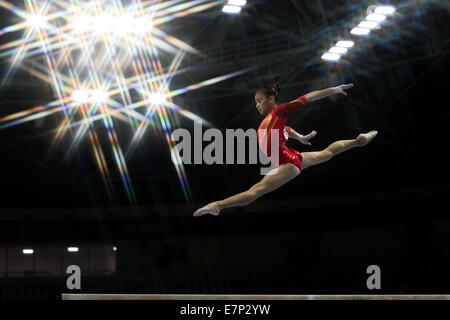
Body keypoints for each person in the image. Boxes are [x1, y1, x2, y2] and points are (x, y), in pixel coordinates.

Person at [193, 83, 377, 217]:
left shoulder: (279, 111)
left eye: (259, 100)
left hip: (286, 162)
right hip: (290, 157)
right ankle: (358, 141)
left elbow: (307, 97)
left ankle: (218, 205)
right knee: (326, 154)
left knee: (256, 191)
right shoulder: (272, 121)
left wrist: (333, 90)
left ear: (271, 99)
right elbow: (286, 130)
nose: (257, 105)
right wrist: (301, 137)